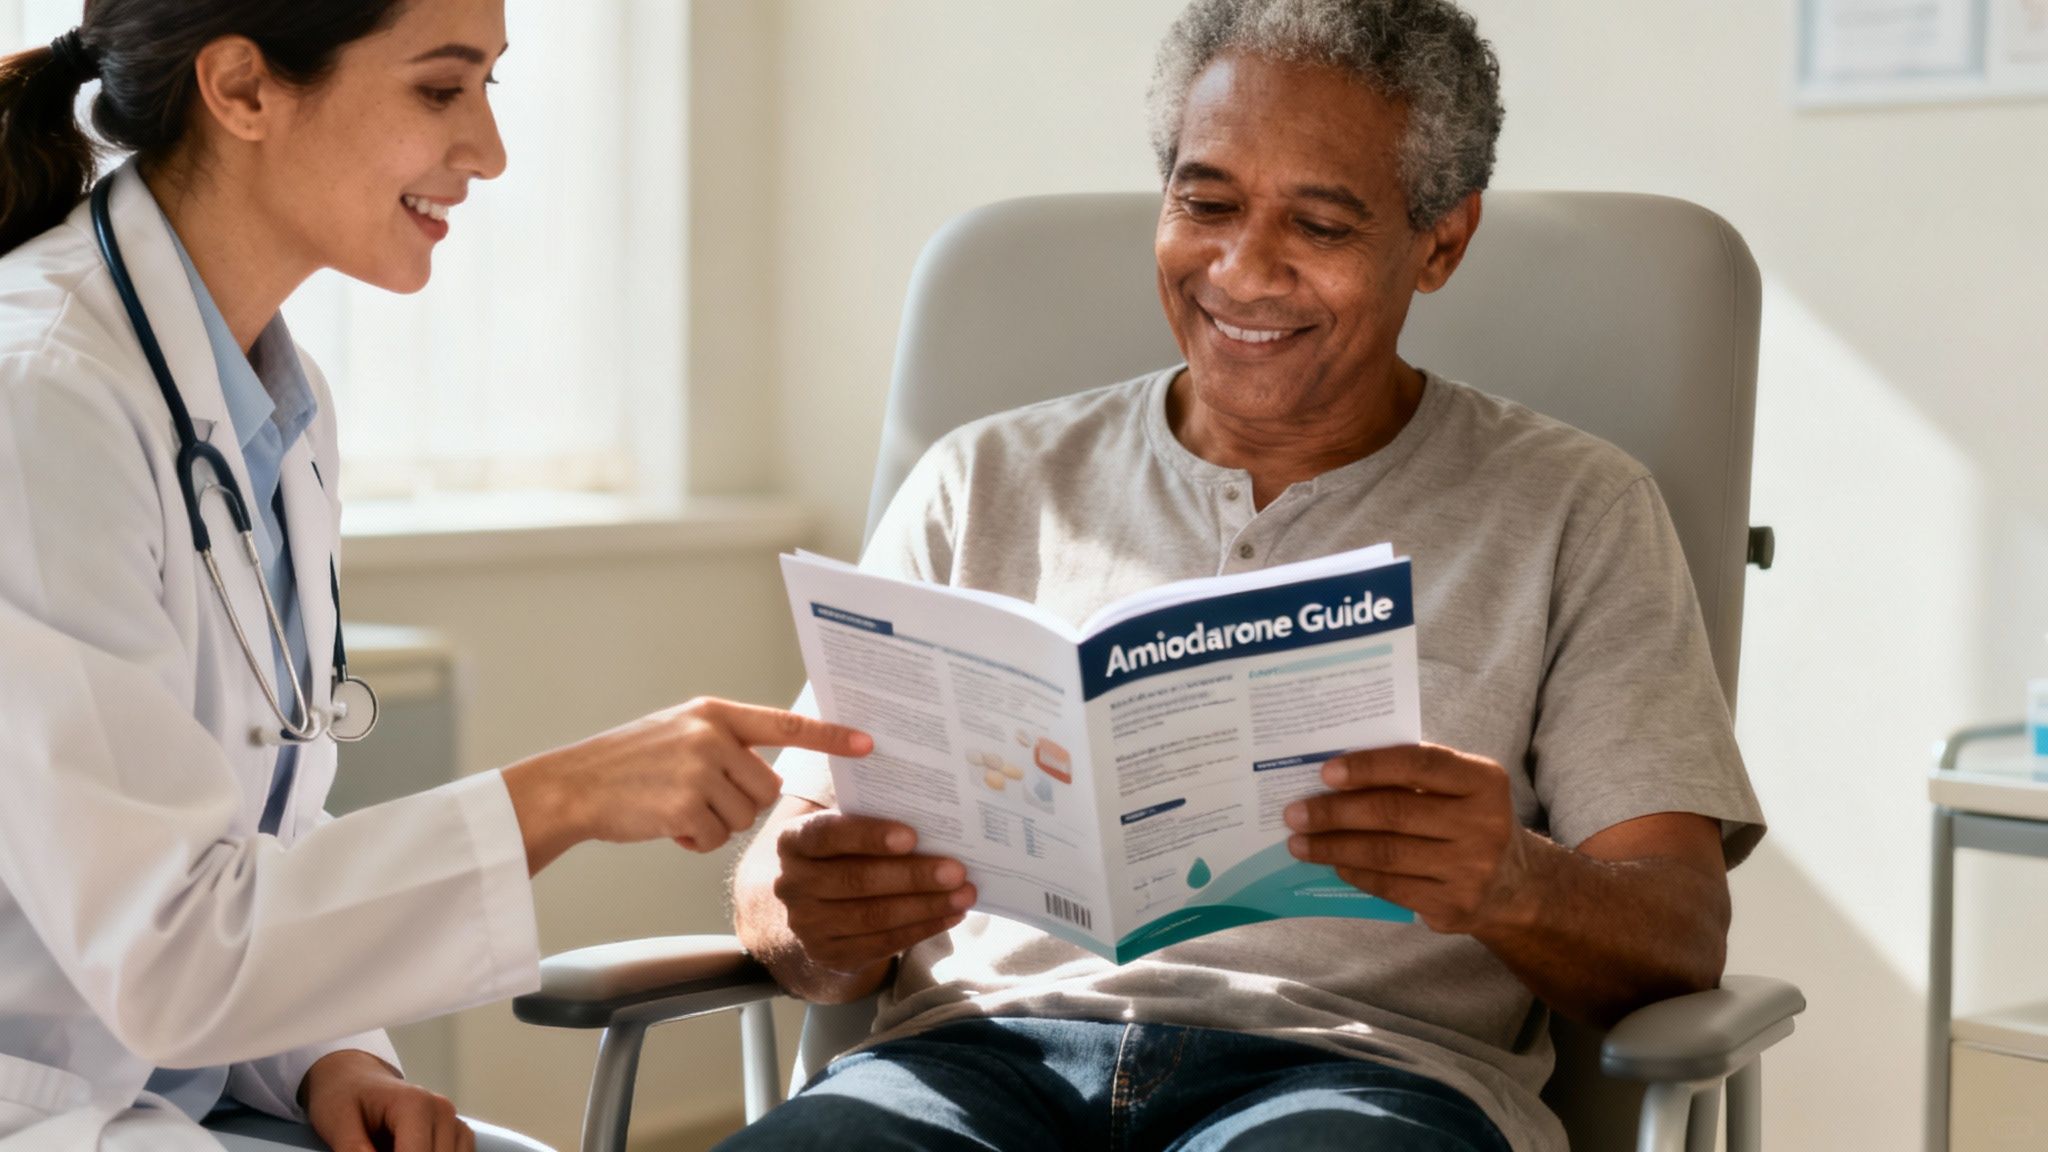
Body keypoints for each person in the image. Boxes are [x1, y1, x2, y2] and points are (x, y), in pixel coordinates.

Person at [725, 1, 1766, 1150]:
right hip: (966, 1064)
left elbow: (1677, 936)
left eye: (1317, 223)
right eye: (1204, 203)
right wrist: (809, 912)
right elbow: (791, 888)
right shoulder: (979, 480)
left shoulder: (1574, 509)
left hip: (1352, 1079)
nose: (1240, 269)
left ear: (1440, 242)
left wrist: (1513, 879)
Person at [0, 2, 871, 1150]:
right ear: (243, 90)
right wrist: (564, 796)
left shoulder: (275, 395)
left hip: (180, 1086)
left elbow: (254, 835)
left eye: (490, 88)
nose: (489, 153)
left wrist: (333, 1057)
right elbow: (165, 945)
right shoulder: (40, 396)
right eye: (438, 89)